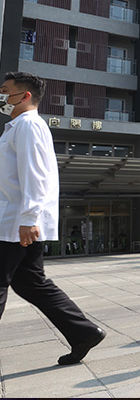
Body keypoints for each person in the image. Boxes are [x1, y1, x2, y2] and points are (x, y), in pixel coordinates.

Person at [0, 72, 106, 365]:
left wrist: (29, 217)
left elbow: (36, 174)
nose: (1, 97)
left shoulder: (28, 125)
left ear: (24, 96)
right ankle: (83, 333)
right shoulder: (17, 127)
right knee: (31, 283)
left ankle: (83, 332)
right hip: (16, 220)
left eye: (5, 91)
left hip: (16, 223)